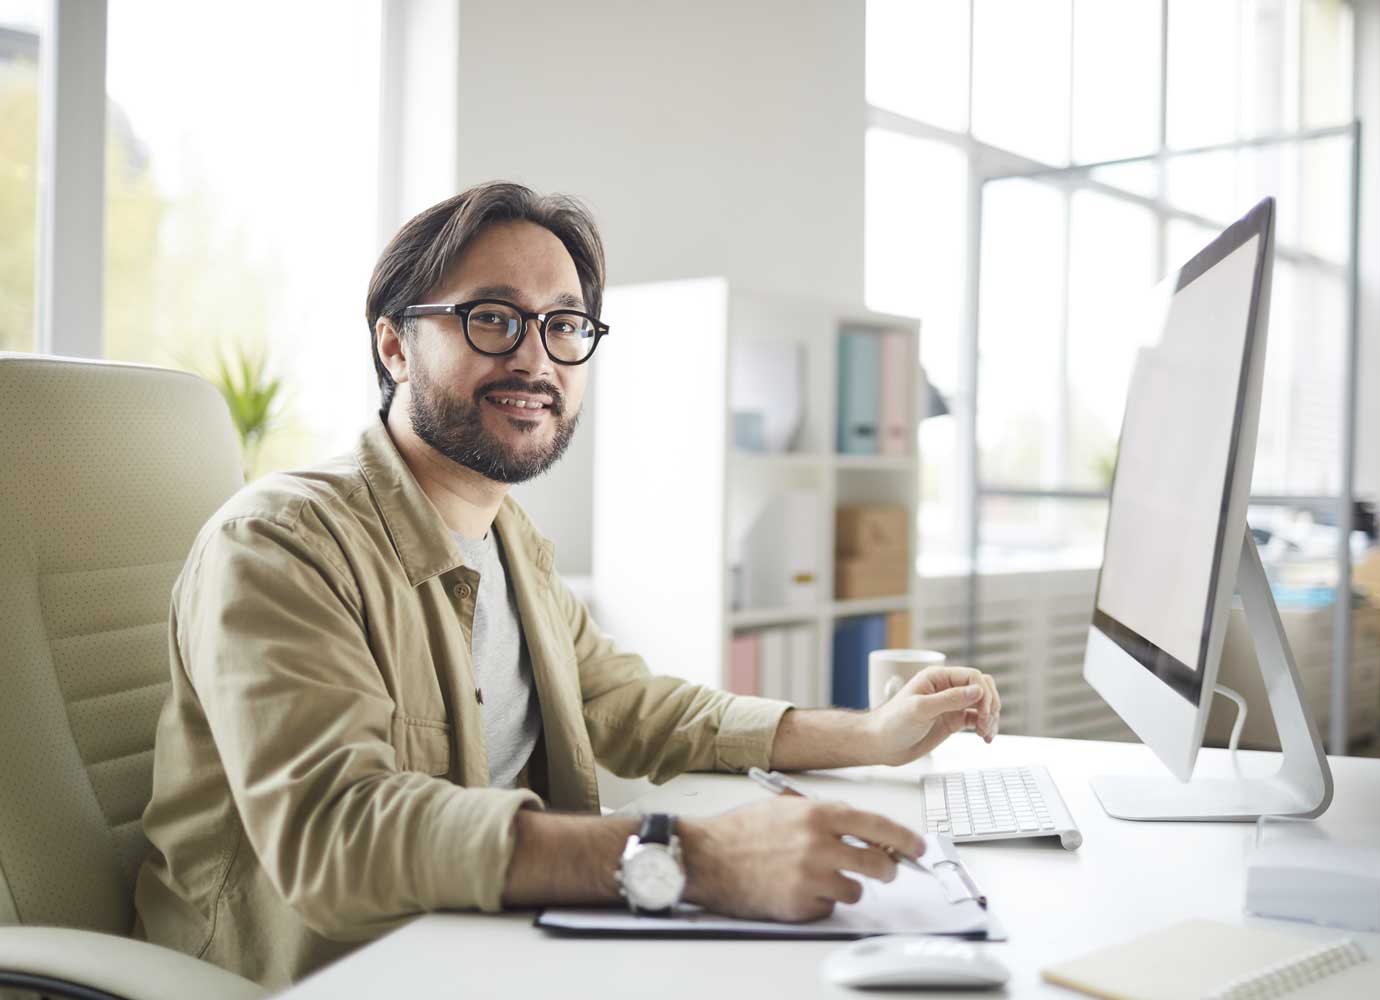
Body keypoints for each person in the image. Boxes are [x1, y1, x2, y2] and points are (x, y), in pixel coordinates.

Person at [134, 181, 1002, 989]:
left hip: (485, 946)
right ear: (394, 344)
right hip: (331, 974)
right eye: (492, 319)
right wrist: (697, 857)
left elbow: (631, 705)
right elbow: (336, 835)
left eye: (564, 326)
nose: (536, 360)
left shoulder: (510, 539)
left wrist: (870, 736)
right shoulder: (281, 546)